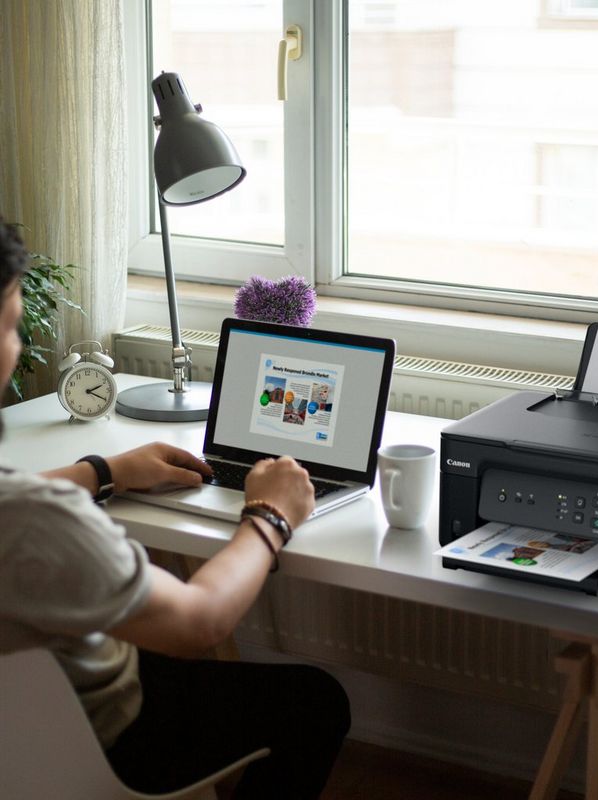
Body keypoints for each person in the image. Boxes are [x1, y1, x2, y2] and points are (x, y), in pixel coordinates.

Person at [0, 217, 350, 798]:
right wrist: (270, 516)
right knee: (315, 702)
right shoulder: (40, 521)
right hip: (98, 740)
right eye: (13, 324)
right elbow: (198, 624)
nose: (20, 341)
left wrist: (104, 471)